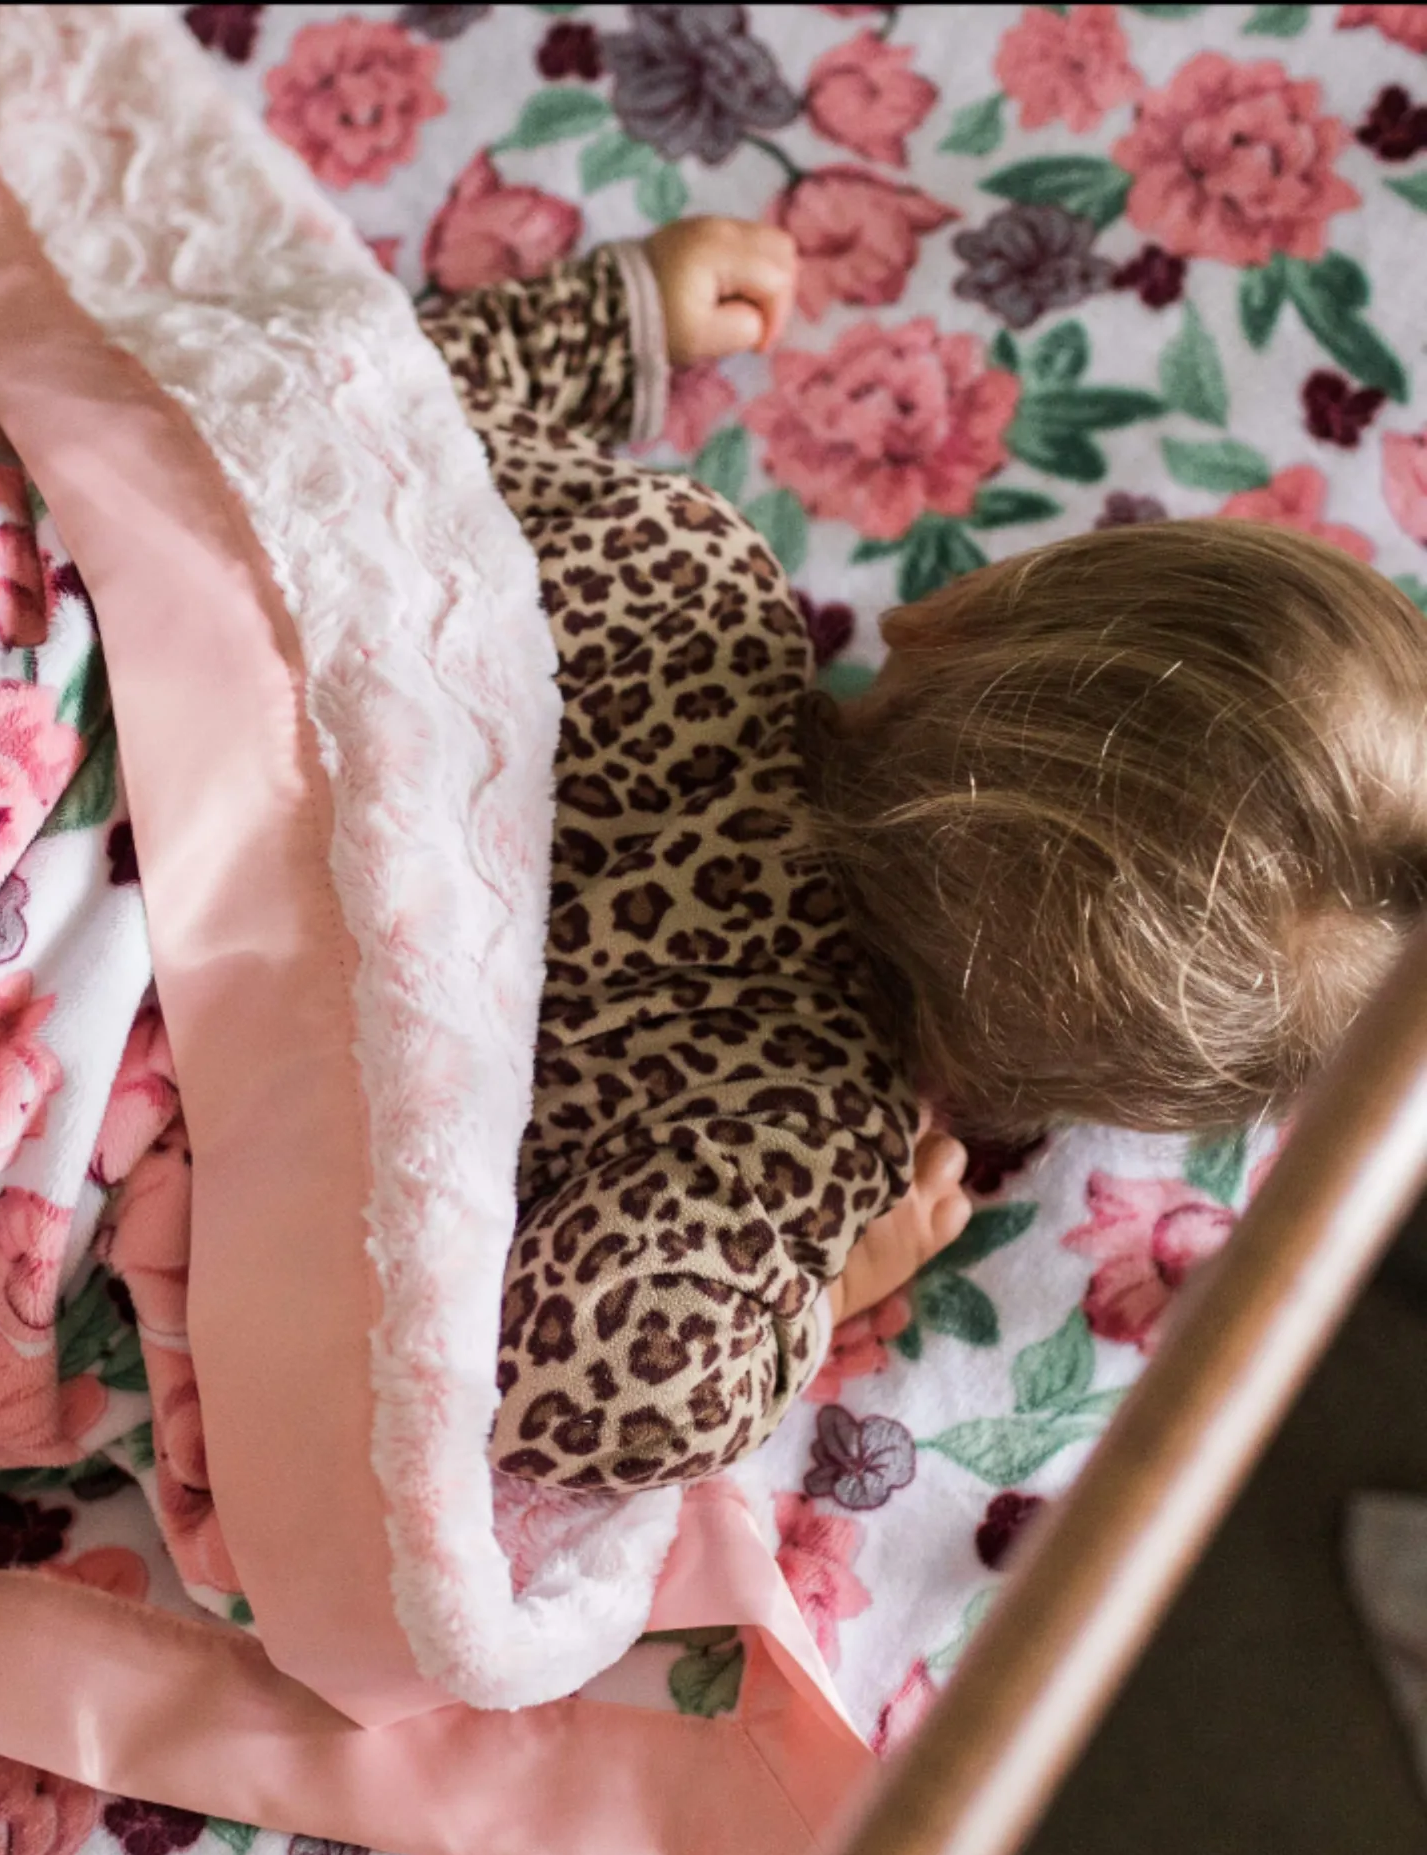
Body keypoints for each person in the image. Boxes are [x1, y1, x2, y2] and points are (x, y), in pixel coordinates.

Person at [417, 216, 1427, 1493]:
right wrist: (817, 1300)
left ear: (947, 611)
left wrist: (616, 318)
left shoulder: (682, 575)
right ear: (1036, 1094)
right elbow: (560, 1395)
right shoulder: (787, 1149)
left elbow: (378, 425)